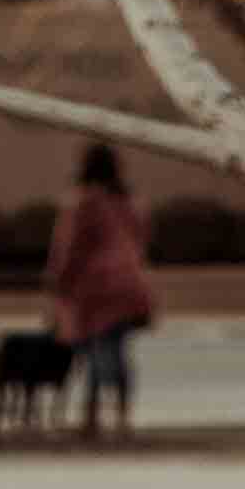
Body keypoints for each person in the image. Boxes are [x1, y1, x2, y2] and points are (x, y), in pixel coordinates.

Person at [42, 141, 155, 436]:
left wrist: (58, 281)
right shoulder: (130, 202)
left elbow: (69, 248)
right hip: (130, 285)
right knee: (116, 350)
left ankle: (91, 416)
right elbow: (141, 242)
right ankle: (121, 414)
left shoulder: (83, 203)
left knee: (95, 351)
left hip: (95, 287)